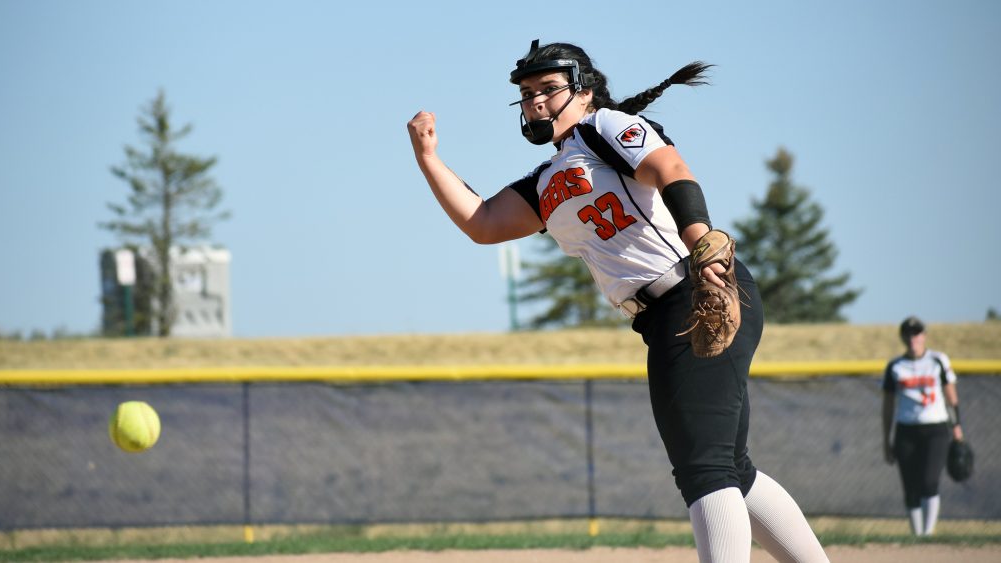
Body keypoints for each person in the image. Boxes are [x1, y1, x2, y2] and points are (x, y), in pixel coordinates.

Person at [407, 39, 827, 562]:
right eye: (526, 93)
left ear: (583, 89)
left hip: (697, 289)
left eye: (547, 88)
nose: (534, 101)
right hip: (661, 315)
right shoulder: (546, 180)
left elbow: (670, 169)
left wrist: (704, 245)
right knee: (728, 466)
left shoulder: (602, 127)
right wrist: (428, 158)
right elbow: (482, 222)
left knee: (705, 467)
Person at [882, 316, 963, 536]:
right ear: (902, 337)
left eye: (916, 333)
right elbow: (888, 406)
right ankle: (917, 538)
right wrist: (886, 440)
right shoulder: (895, 366)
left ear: (924, 336)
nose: (912, 338)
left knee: (929, 481)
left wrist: (957, 427)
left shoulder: (938, 360)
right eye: (908, 334)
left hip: (935, 429)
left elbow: (951, 398)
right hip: (905, 431)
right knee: (911, 488)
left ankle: (927, 535)